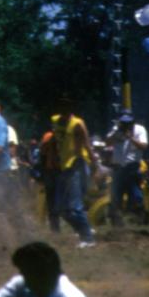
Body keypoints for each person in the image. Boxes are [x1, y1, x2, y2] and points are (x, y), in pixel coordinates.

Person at [51, 98, 98, 247]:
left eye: (68, 106)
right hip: (64, 166)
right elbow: (55, 141)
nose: (65, 109)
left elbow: (86, 144)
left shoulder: (77, 124)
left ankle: (88, 238)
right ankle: (85, 229)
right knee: (60, 209)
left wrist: (94, 164)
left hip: (76, 164)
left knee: (74, 206)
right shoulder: (55, 121)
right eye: (62, 106)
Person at [105, 112, 149, 226]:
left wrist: (131, 138)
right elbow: (107, 141)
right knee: (116, 195)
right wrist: (116, 132)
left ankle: (140, 219)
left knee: (135, 193)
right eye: (123, 123)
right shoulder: (116, 129)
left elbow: (144, 146)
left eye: (128, 123)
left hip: (132, 166)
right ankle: (117, 224)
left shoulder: (140, 130)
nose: (126, 125)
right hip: (118, 167)